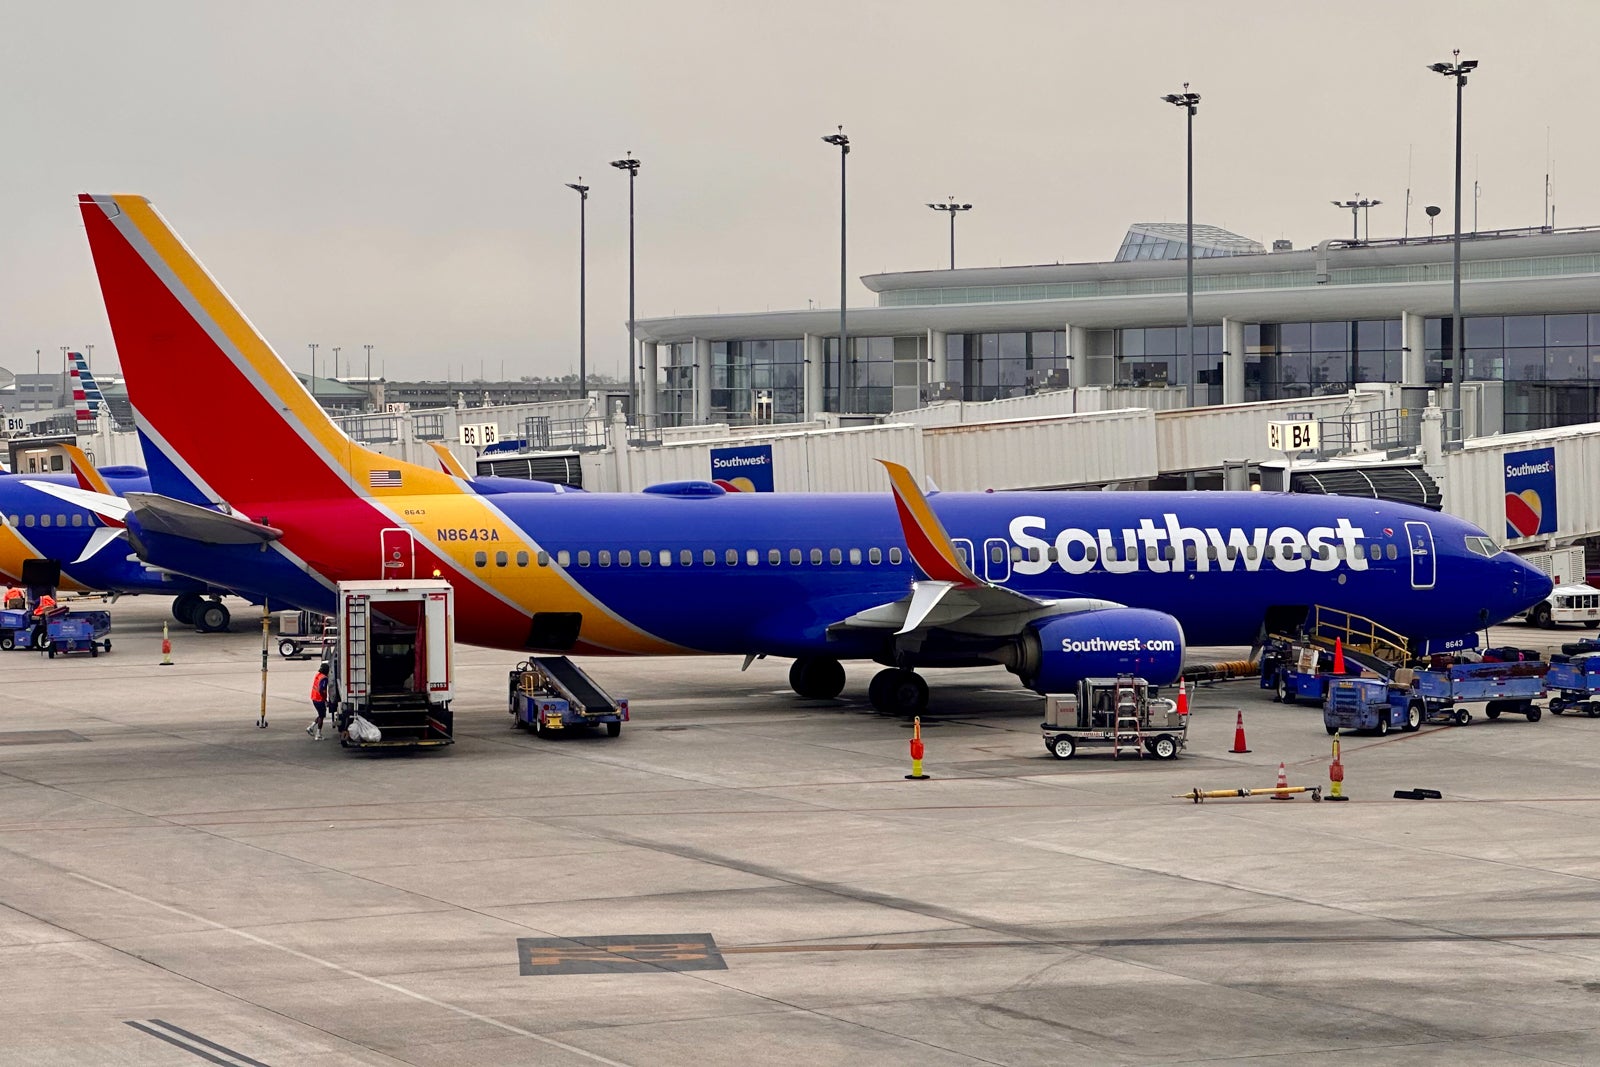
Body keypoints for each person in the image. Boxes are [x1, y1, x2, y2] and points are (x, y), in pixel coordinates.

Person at [307, 662, 330, 740]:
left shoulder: (318, 675)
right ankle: (318, 734)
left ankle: (311, 727)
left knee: (321, 715)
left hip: (314, 697)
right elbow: (321, 690)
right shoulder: (324, 678)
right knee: (322, 716)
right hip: (319, 699)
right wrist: (325, 700)